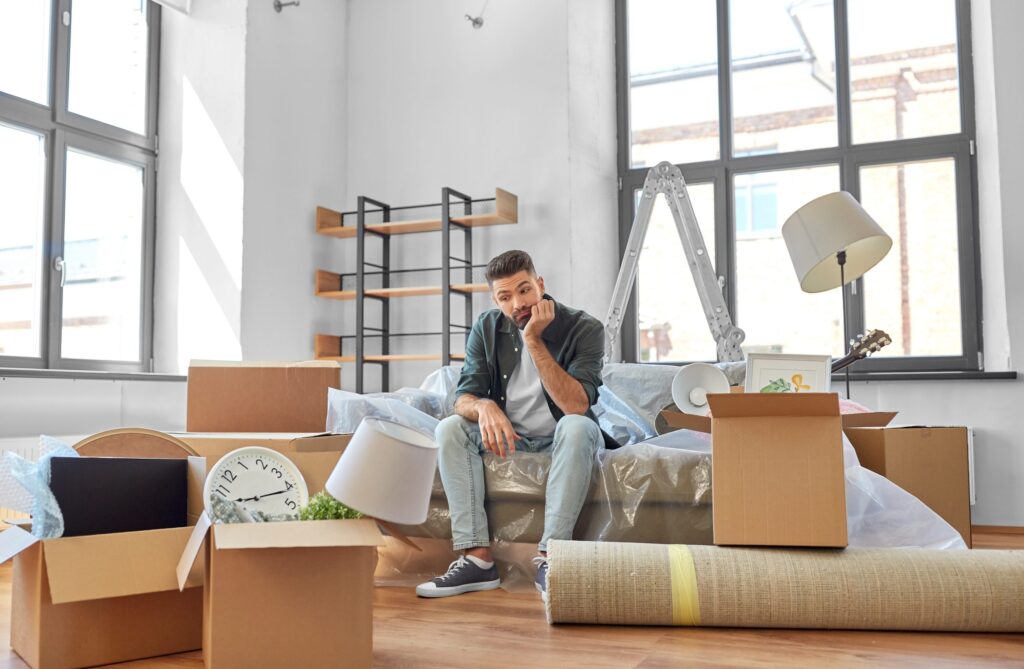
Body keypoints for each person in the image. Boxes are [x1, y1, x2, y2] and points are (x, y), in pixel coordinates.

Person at [416, 249, 615, 601]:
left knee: (579, 426)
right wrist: (483, 405)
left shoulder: (585, 328)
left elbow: (576, 405)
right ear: (496, 300)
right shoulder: (487, 327)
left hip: (564, 438)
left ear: (540, 285)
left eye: (524, 290)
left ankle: (552, 558)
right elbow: (462, 398)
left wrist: (533, 340)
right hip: (511, 438)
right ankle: (477, 560)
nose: (518, 303)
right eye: (505, 297)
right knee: (449, 429)